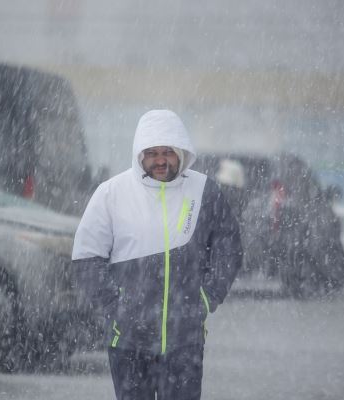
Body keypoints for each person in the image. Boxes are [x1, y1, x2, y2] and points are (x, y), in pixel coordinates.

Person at [72, 109, 243, 400]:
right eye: (152, 152)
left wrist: (206, 296)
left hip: (184, 343)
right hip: (128, 342)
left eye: (167, 152)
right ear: (140, 154)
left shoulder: (203, 191)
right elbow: (86, 258)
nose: (160, 160)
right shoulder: (111, 193)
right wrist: (117, 306)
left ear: (181, 152)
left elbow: (229, 246)